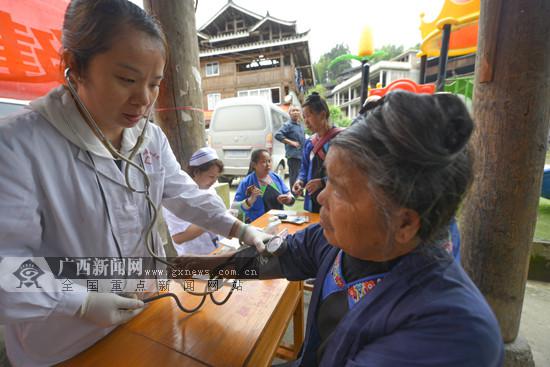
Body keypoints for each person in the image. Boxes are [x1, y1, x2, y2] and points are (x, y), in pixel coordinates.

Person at [0, 1, 267, 366]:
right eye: (127, 79)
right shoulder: (18, 146)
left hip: (143, 311)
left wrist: (240, 228)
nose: (143, 99)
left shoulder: (148, 139)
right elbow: (7, 267)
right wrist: (81, 302)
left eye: (154, 84)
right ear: (74, 66)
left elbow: (183, 194)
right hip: (62, 345)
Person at [241, 91, 504, 366]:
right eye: (327, 179)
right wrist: (196, 270)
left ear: (403, 223)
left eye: (340, 190)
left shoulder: (455, 335)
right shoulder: (337, 241)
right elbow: (275, 257)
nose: (320, 198)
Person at [162, 147, 224, 255]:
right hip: (195, 257)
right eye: (211, 176)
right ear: (196, 172)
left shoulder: (210, 190)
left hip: (216, 250)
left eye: (216, 177)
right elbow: (178, 237)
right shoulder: (176, 197)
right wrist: (213, 220)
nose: (214, 181)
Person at [292, 92, 342, 213]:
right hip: (312, 203)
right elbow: (304, 168)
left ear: (322, 115)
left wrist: (322, 182)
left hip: (333, 203)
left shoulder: (340, 140)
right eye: (304, 117)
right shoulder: (310, 142)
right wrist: (300, 181)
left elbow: (346, 174)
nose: (306, 121)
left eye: (308, 116)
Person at [234, 149, 294, 222]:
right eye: (264, 162)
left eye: (269, 161)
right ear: (254, 165)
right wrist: (250, 200)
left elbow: (288, 193)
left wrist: (288, 199)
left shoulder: (276, 177)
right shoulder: (246, 182)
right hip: (257, 224)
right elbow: (235, 207)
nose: (268, 165)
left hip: (278, 221)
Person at [274, 105, 305, 190]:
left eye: (297, 110)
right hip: (293, 155)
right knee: (294, 175)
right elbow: (277, 135)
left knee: (300, 175)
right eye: (293, 111)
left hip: (301, 155)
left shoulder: (300, 126)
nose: (295, 112)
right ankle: (294, 193)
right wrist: (291, 142)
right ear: (290, 113)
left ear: (300, 113)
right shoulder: (288, 125)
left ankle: (299, 191)